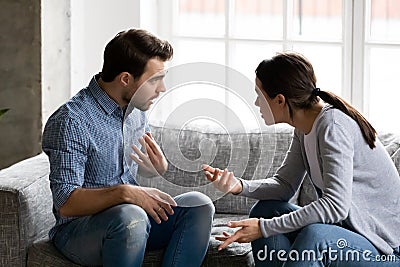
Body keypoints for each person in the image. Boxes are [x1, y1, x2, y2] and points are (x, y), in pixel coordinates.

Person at [203, 52, 400, 266]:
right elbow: (285, 185)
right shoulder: (304, 128)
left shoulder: (333, 126)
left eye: (260, 95)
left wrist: (263, 228)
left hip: (385, 250)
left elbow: (335, 206)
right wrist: (239, 186)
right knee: (266, 210)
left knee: (316, 236)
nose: (256, 103)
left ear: (280, 100)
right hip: (350, 235)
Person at [42, 28, 214, 267]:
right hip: (80, 230)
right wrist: (126, 193)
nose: (161, 88)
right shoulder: (71, 121)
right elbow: (66, 204)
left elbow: (127, 169)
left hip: (134, 222)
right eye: (154, 79)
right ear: (125, 79)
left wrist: (155, 169)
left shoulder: (135, 111)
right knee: (130, 216)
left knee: (199, 204)